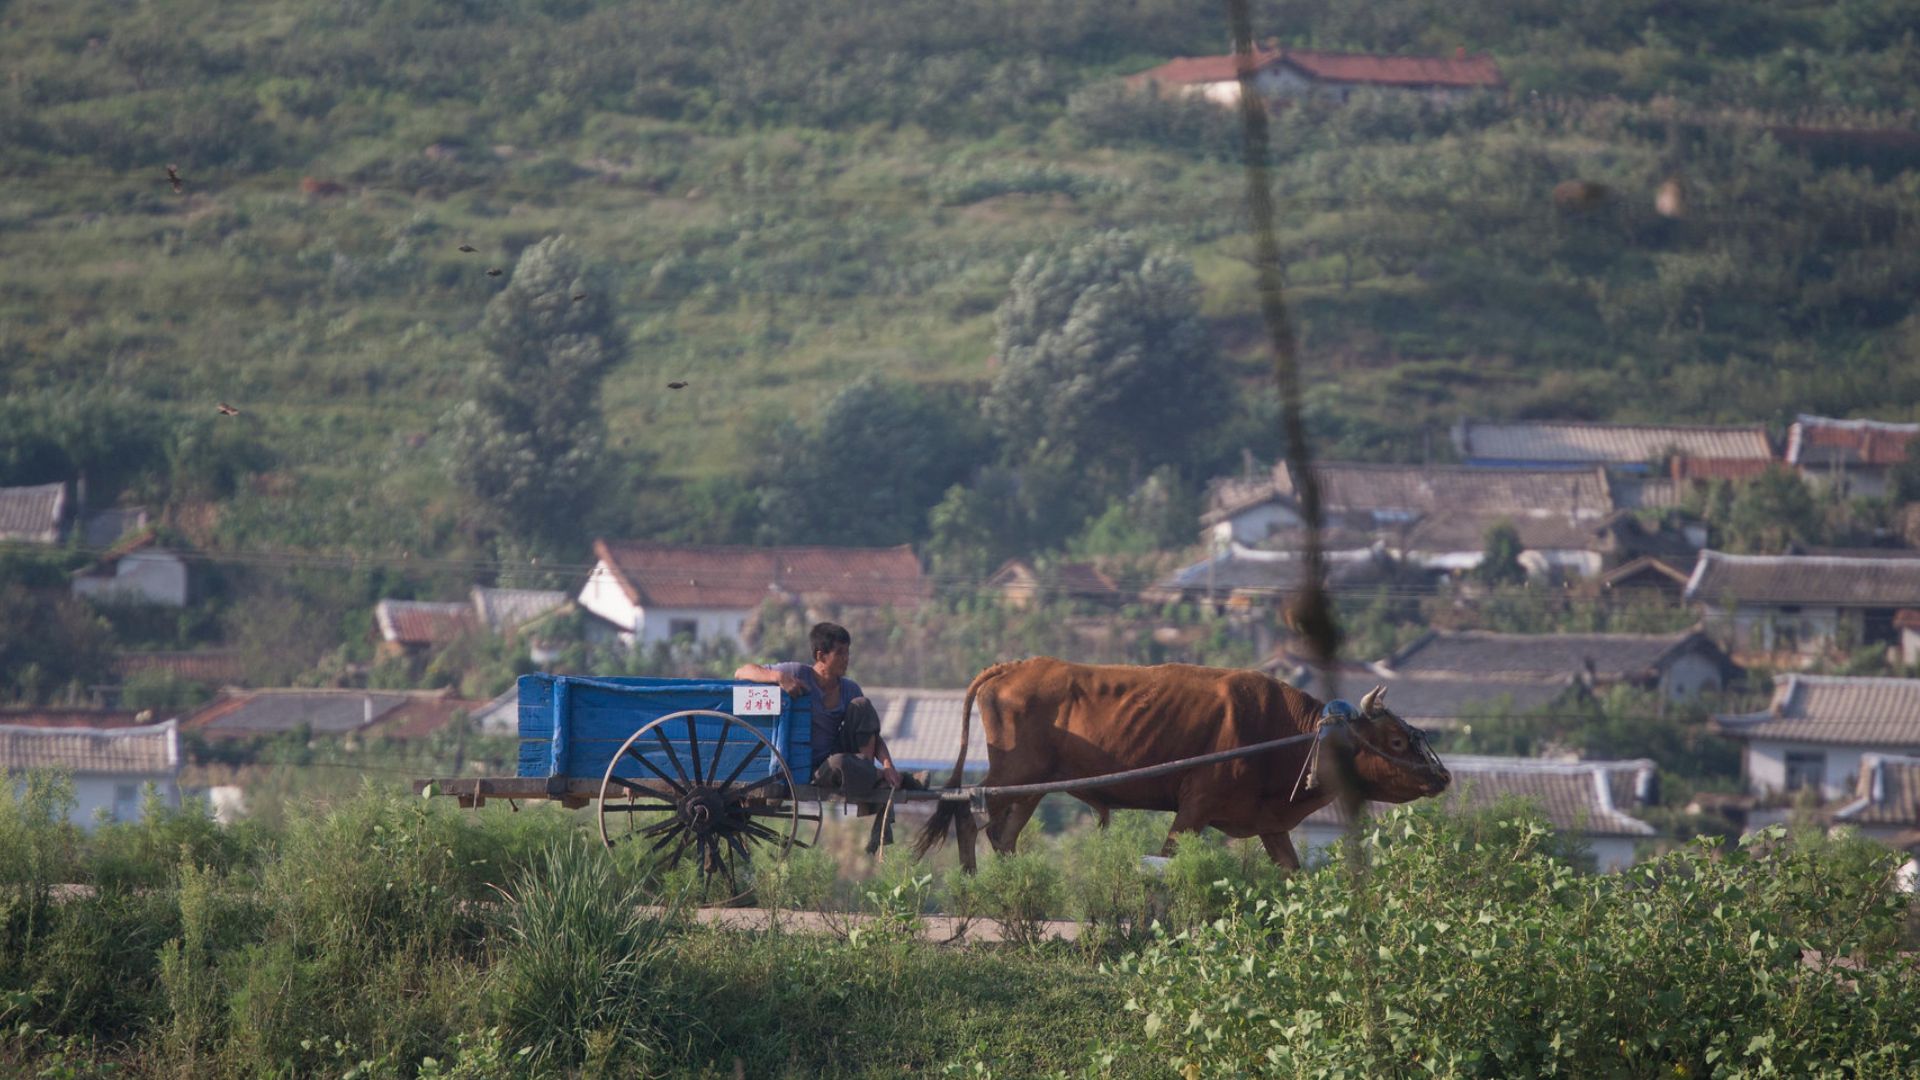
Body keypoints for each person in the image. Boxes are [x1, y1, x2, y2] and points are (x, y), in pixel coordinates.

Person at [734, 622, 913, 852]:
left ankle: (880, 775)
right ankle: (886, 778)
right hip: (816, 770)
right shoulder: (797, 673)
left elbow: (872, 734)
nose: (846, 659)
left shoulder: (849, 689)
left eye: (848, 652)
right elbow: (742, 672)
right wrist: (778, 676)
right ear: (821, 655)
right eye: (840, 653)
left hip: (843, 759)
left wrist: (888, 764)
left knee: (862, 705)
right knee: (839, 763)